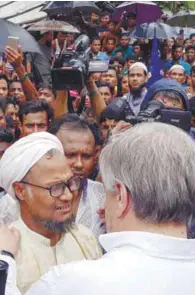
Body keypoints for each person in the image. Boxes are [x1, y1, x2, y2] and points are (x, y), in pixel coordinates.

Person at [21, 122, 195, 295]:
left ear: (121, 197)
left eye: (107, 194)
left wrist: (5, 259)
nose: (104, 206)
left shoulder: (68, 283)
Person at [0, 132, 102, 294]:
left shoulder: (85, 239)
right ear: (20, 191)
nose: (68, 195)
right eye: (55, 187)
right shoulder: (7, 253)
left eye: (70, 183)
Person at [49, 114, 105, 238]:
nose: (79, 164)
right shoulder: (27, 198)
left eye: (86, 156)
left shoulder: (104, 198)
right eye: (70, 155)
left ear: (95, 155)